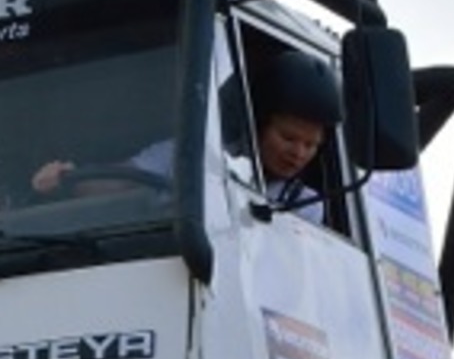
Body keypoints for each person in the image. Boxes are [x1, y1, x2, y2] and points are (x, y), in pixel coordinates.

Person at [31, 47, 341, 226]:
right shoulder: (188, 154)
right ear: (257, 124)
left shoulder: (306, 205)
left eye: (311, 145)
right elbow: (119, 181)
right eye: (288, 138)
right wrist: (69, 177)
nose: (299, 153)